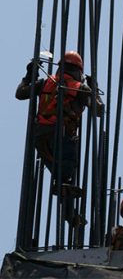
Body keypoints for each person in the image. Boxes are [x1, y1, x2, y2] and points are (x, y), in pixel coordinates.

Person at [16, 50, 103, 226]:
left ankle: (70, 214)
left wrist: (29, 75)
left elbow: (20, 93)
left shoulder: (46, 82)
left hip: (41, 138)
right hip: (63, 136)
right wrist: (94, 90)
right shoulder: (80, 88)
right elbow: (99, 111)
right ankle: (69, 211)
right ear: (79, 70)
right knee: (67, 175)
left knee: (63, 178)